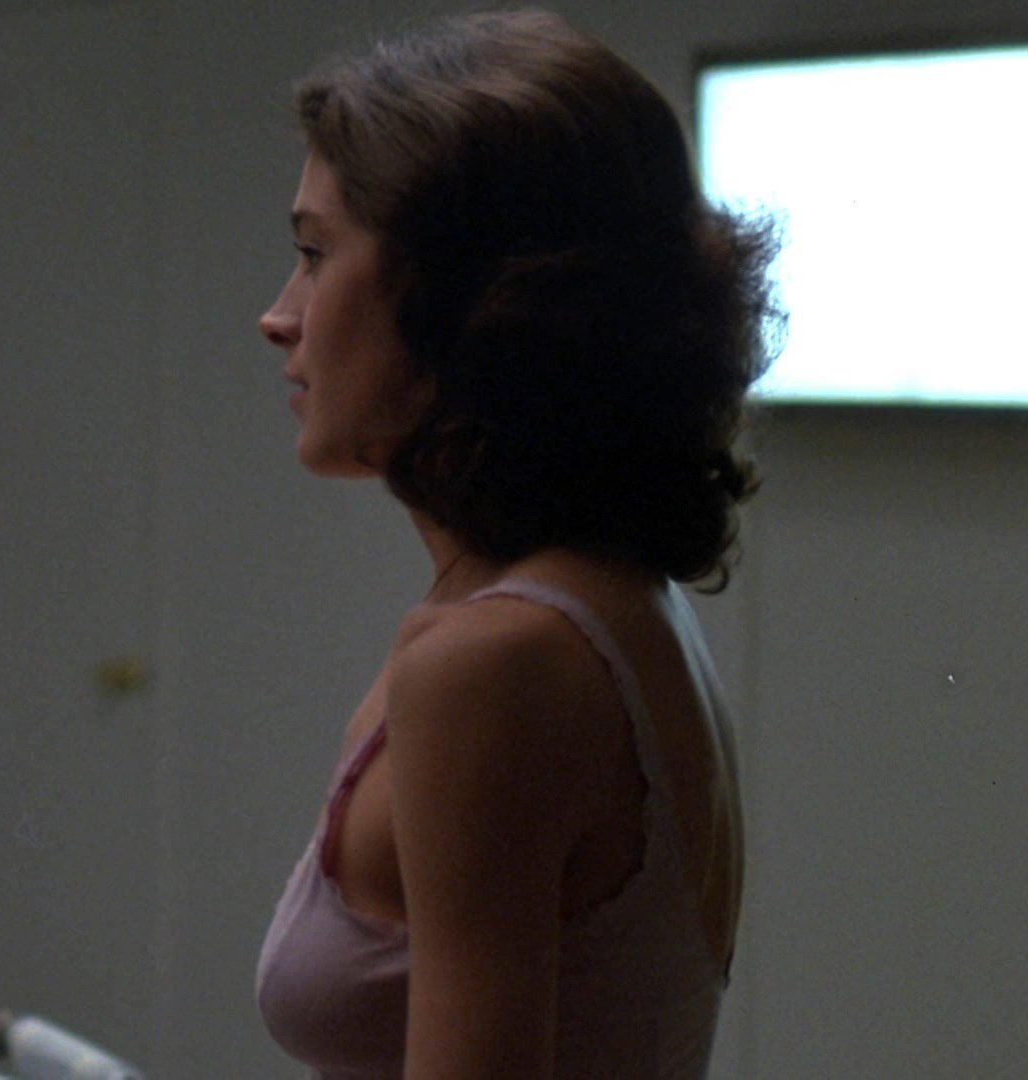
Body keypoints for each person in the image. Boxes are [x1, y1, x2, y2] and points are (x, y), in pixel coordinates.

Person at [252, 9, 782, 1078]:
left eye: (315, 255)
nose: (280, 314)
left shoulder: (496, 663)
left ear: (466, 300)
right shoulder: (611, 605)